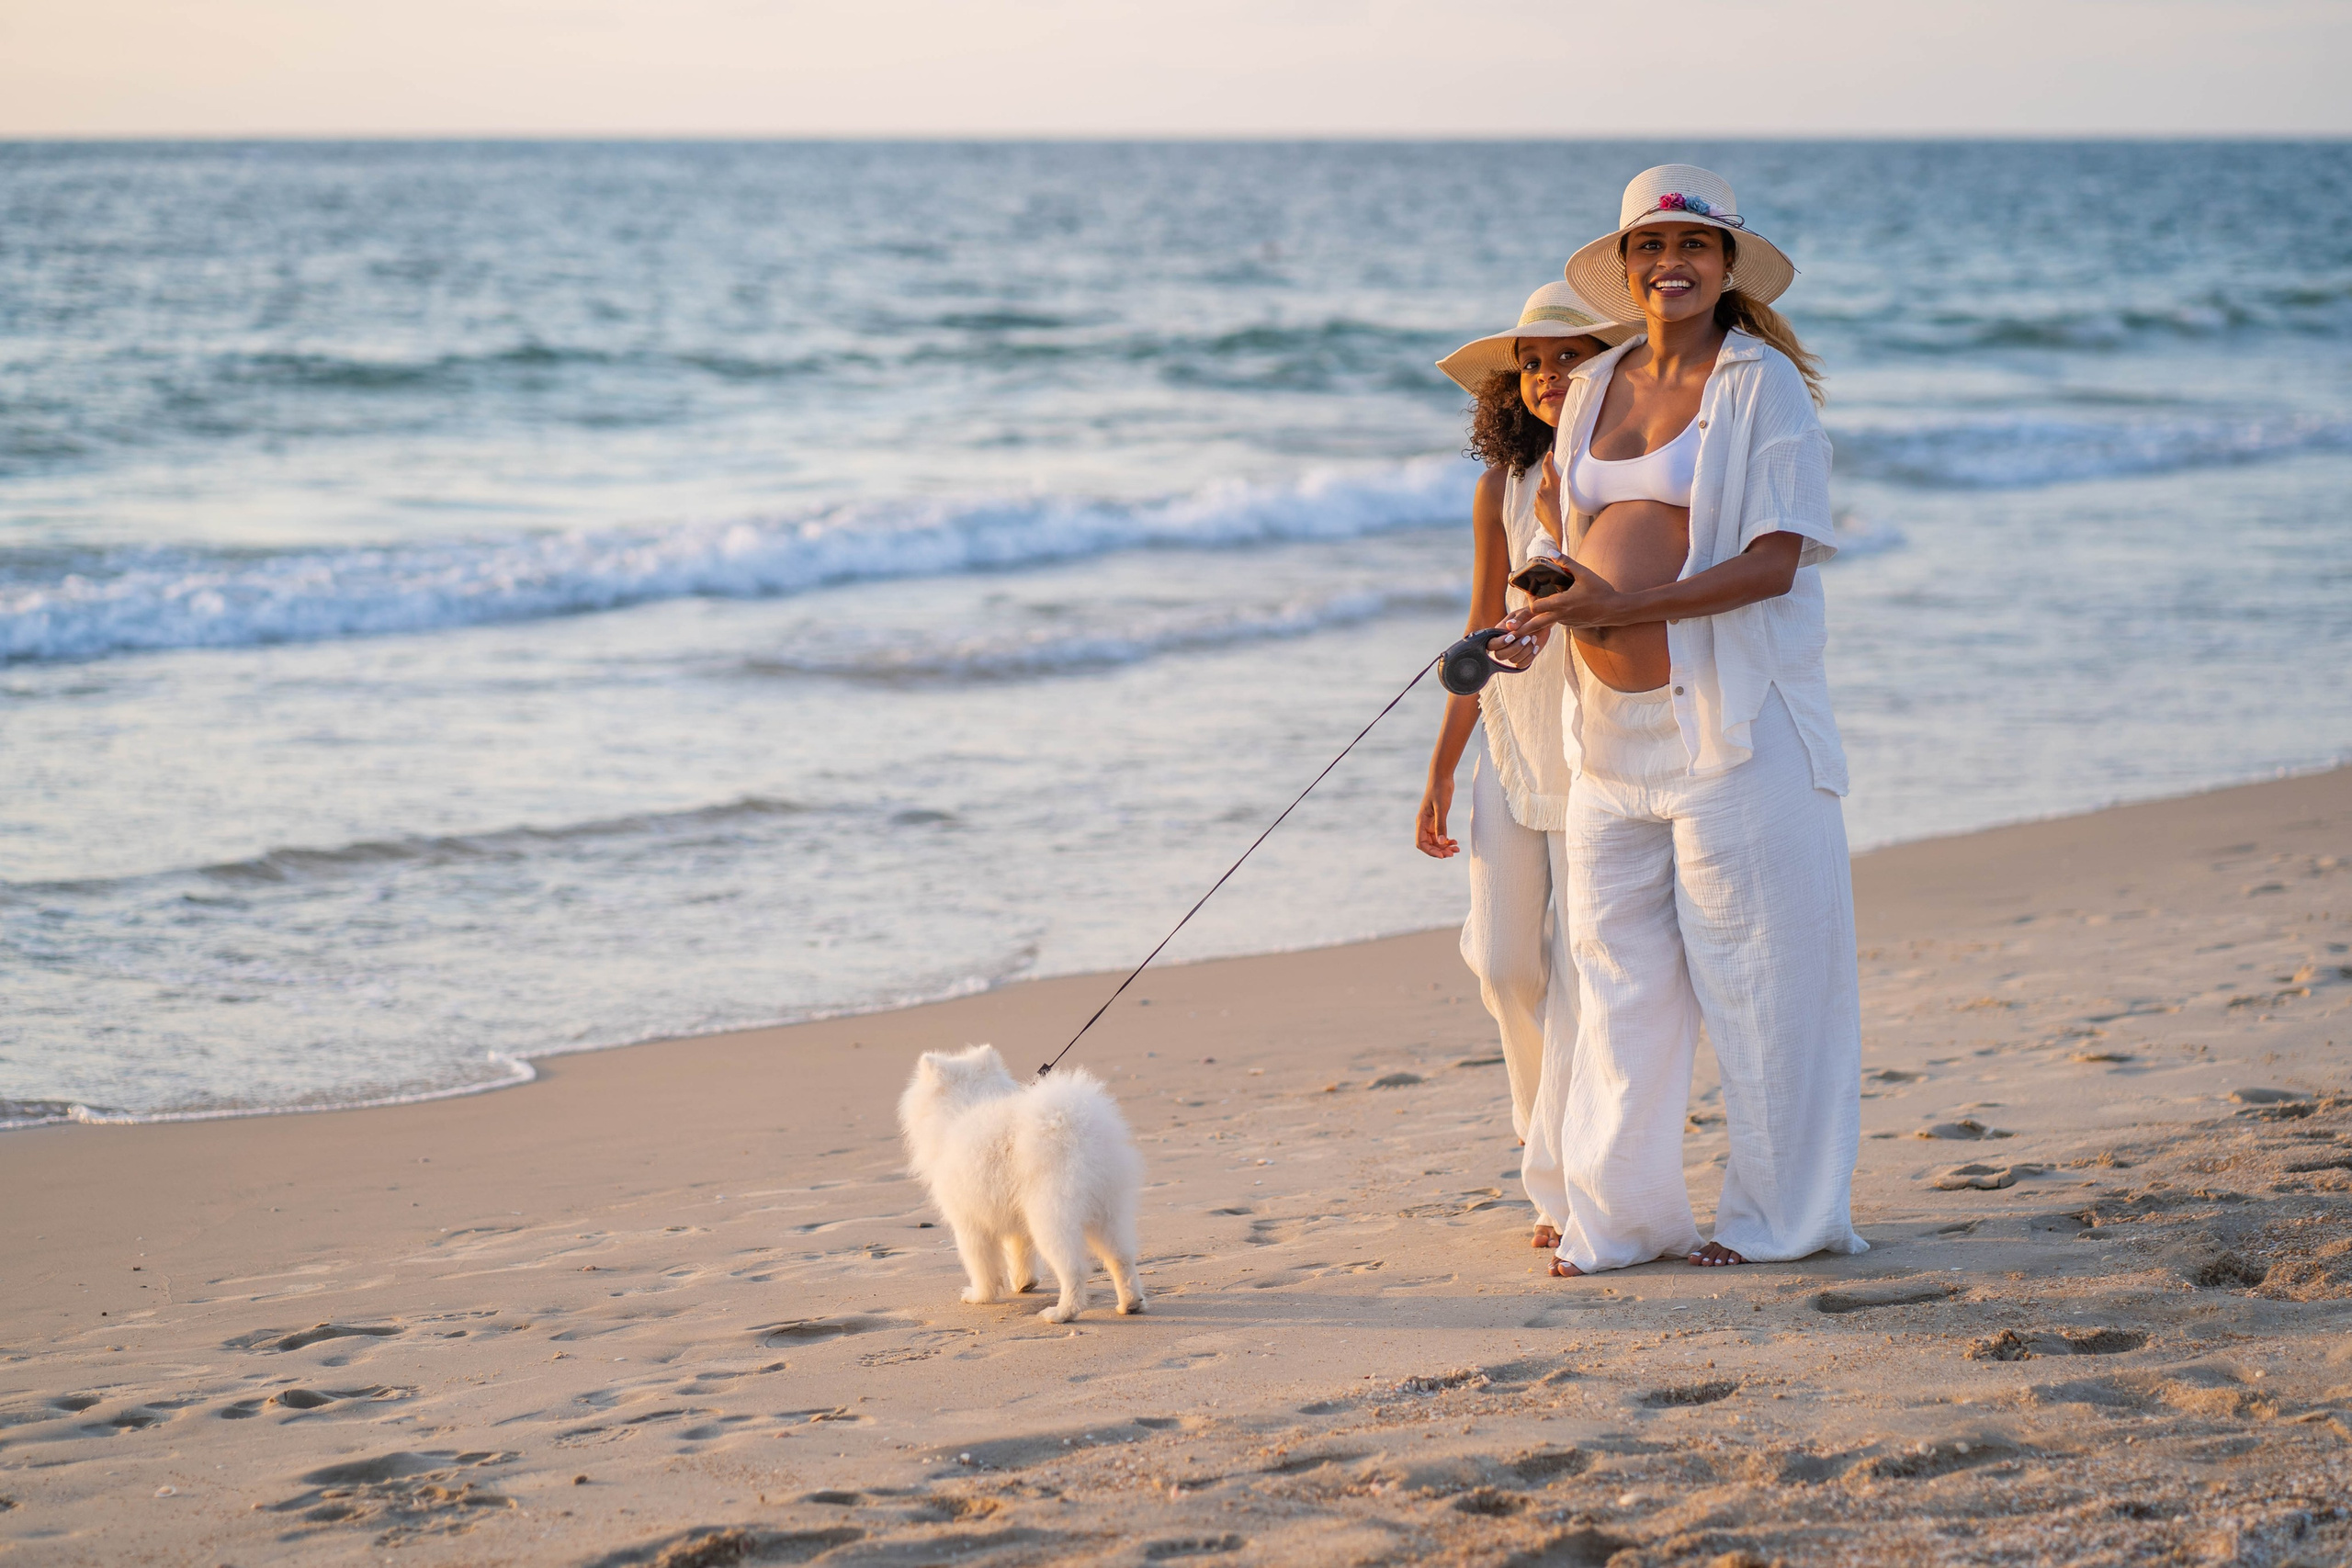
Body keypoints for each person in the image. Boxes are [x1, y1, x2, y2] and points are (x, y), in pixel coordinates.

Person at [1502, 164, 1868, 1276]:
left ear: (1724, 268)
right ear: (1625, 268)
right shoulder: (1597, 378)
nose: (1671, 266)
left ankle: (1779, 1224)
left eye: (1694, 250)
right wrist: (1541, 611)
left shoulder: (1762, 386)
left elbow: (1773, 562)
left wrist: (1628, 605)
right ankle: (1624, 1222)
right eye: (1652, 250)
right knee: (1616, 985)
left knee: (1762, 986)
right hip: (1605, 738)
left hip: (1730, 732)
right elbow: (1562, 537)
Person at [1420, 281, 1631, 1251]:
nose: (1548, 376)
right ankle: (1534, 1134)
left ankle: (1562, 1176)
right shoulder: (1497, 488)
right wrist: (1437, 768)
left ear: (1605, 368)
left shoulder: (1624, 470)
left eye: (1569, 357)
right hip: (1508, 744)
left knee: (1588, 974)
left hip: (1598, 744)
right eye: (1533, 363)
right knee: (1506, 964)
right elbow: (1473, 631)